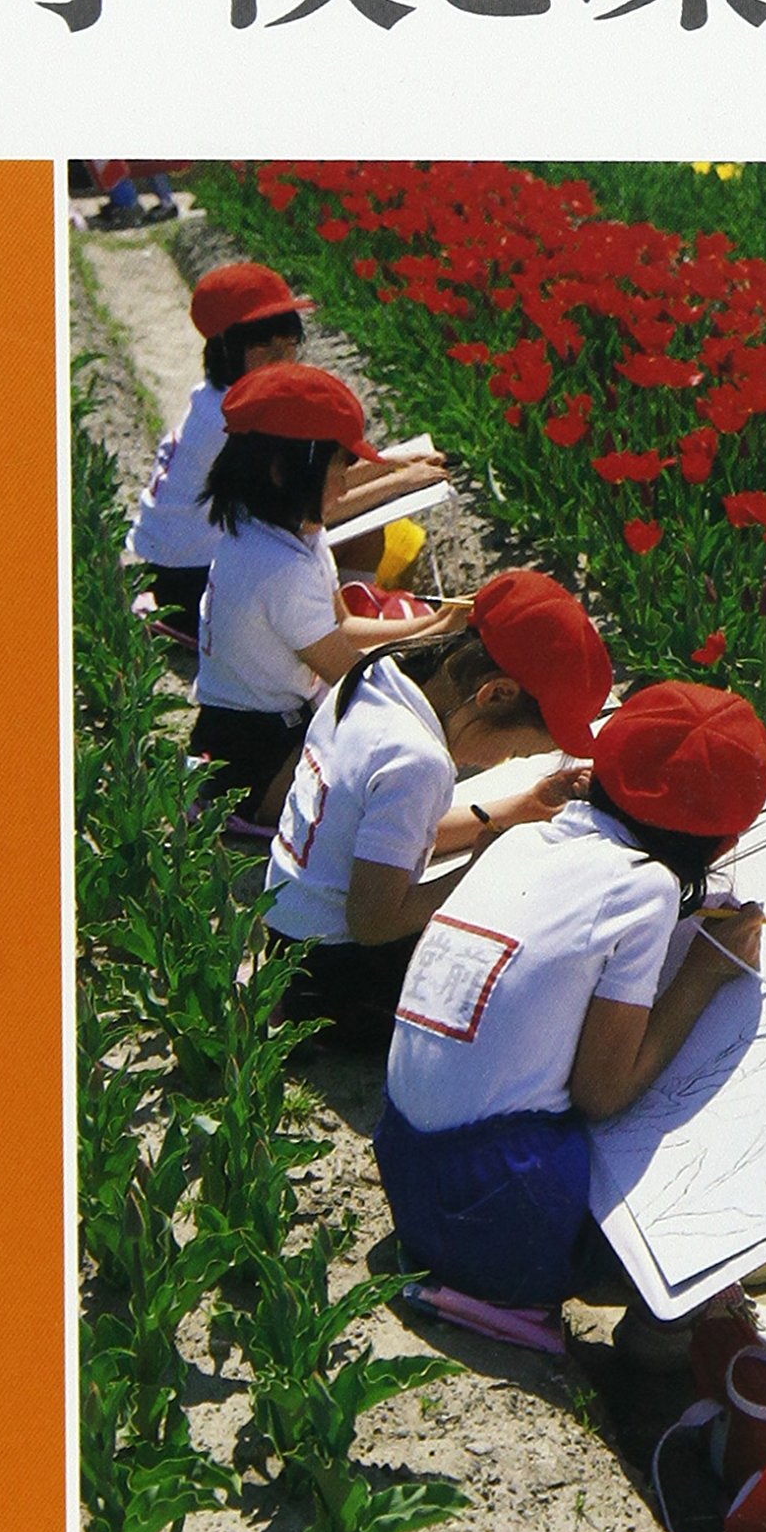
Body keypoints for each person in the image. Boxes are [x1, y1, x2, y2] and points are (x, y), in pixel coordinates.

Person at [372, 682, 766, 1341]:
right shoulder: (645, 886)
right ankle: (681, 1319)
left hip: (408, 1166)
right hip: (502, 1210)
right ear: (722, 844)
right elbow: (602, 1092)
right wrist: (705, 973)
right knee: (646, 1144)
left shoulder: (519, 842)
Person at [264, 570, 613, 1051]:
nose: (501, 763)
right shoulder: (417, 761)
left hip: (288, 936)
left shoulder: (376, 678)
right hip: (338, 974)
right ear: (495, 694)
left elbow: (394, 838)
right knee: (527, 996)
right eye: (514, 752)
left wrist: (523, 806)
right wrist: (479, 872)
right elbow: (372, 923)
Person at [190, 362, 465, 827]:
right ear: (283, 472)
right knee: (396, 792)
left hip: (253, 728)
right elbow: (354, 677)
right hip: (257, 759)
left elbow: (343, 626)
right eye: (337, 472)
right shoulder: (277, 568)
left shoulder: (280, 526)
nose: (343, 487)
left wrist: (434, 625)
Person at [126, 260, 447, 658]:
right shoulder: (237, 422)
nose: (282, 359)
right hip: (194, 584)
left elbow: (313, 481)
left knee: (367, 525)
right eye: (265, 347)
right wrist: (399, 481)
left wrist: (396, 463)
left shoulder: (220, 397)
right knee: (366, 534)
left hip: (172, 565)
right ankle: (339, 632)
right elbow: (306, 504)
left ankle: (349, 619)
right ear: (226, 347)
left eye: (289, 345)